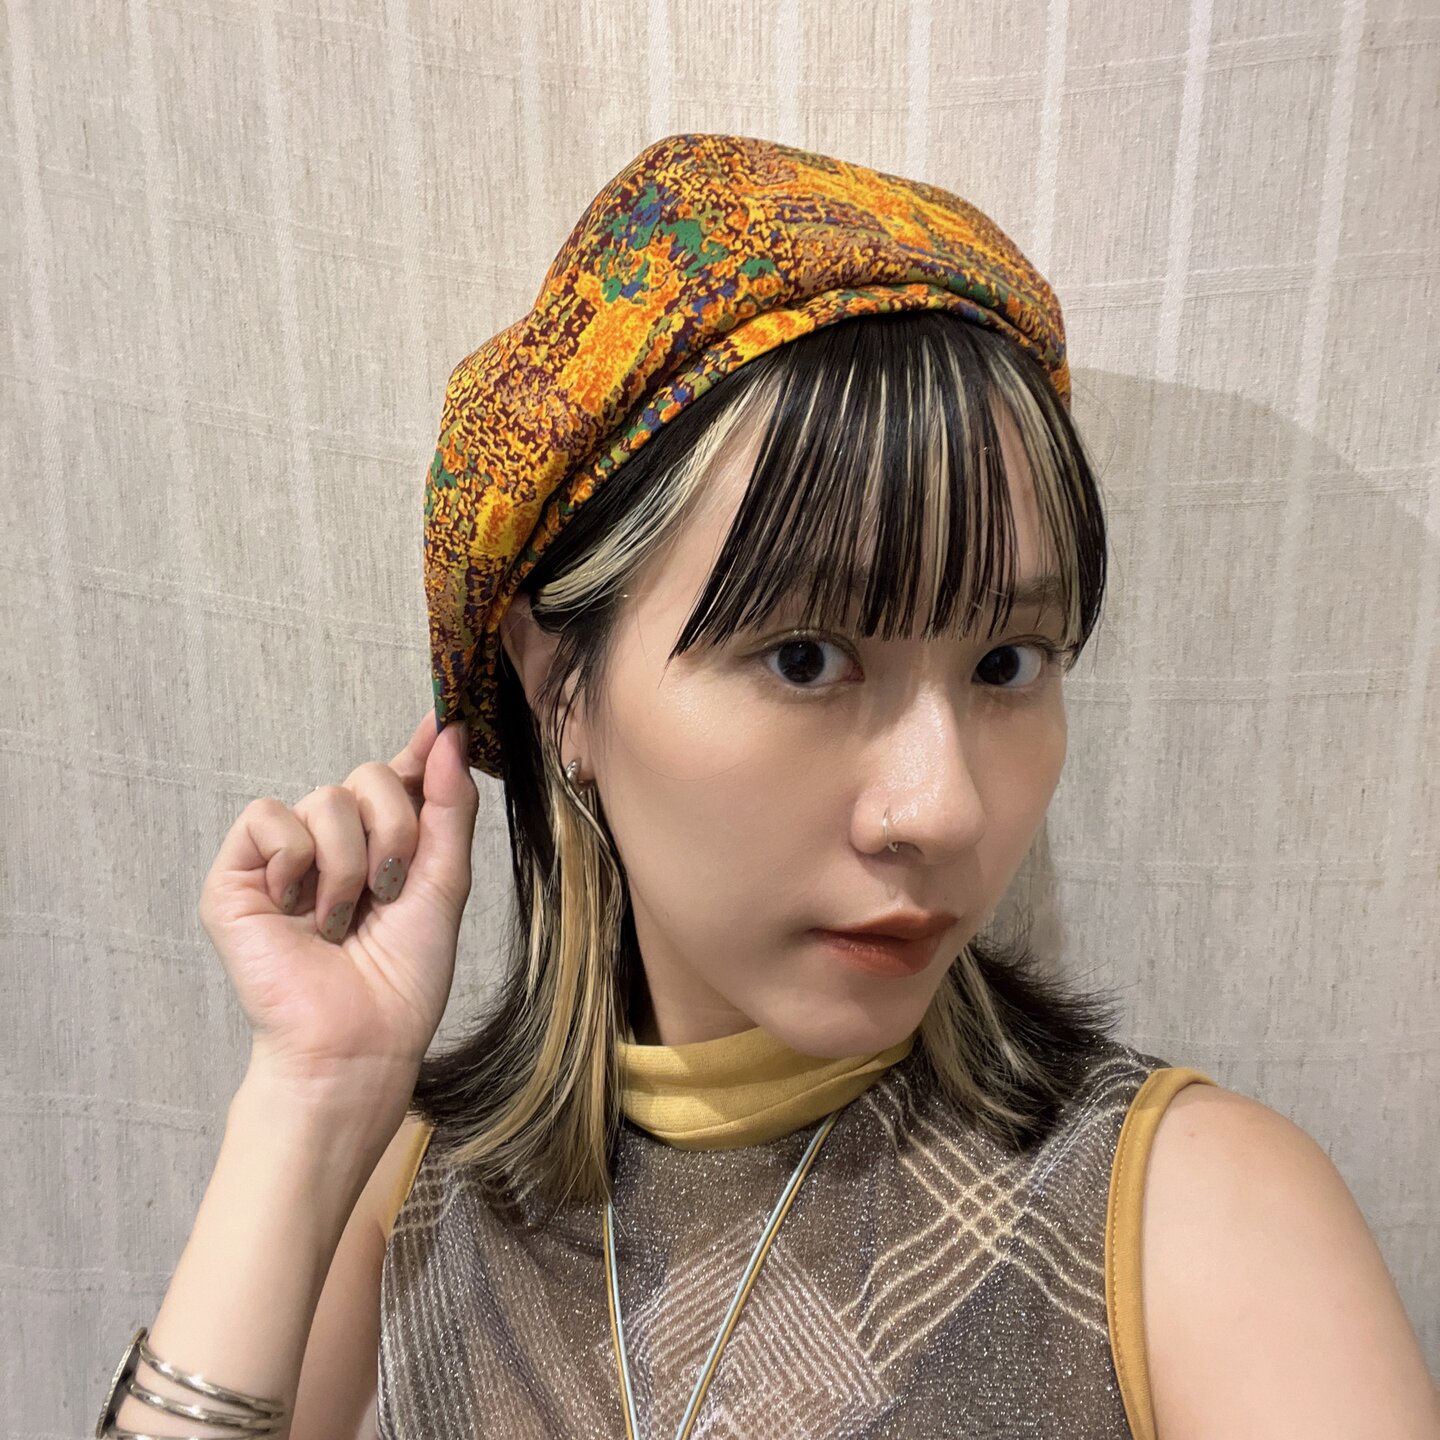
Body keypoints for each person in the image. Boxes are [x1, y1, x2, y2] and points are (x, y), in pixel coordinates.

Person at [97, 134, 1437, 1439]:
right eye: (807, 658)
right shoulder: (409, 1204)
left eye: (1007, 663)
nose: (944, 811)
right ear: (562, 687)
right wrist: (311, 1100)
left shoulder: (1188, 1225)